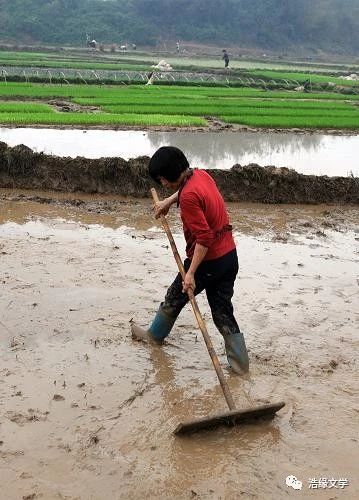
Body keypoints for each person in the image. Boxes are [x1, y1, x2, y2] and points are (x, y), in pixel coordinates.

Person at [131, 146, 249, 375]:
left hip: (208, 260)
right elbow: (187, 189)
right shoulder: (201, 174)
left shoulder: (188, 199)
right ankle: (241, 366)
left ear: (167, 177)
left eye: (162, 179)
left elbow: (204, 238)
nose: (162, 183)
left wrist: (191, 273)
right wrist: (168, 201)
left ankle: (154, 336)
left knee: (175, 296)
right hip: (229, 257)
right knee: (222, 312)